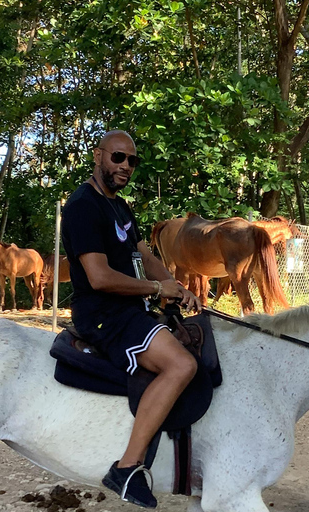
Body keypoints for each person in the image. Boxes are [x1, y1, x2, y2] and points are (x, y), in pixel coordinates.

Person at [61, 130, 201, 509]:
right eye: (118, 158)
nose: (125, 167)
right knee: (181, 364)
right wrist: (158, 289)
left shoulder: (120, 207)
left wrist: (175, 285)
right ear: (98, 155)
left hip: (131, 307)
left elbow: (143, 253)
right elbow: (100, 277)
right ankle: (127, 467)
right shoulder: (83, 206)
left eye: (132, 161)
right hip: (103, 313)